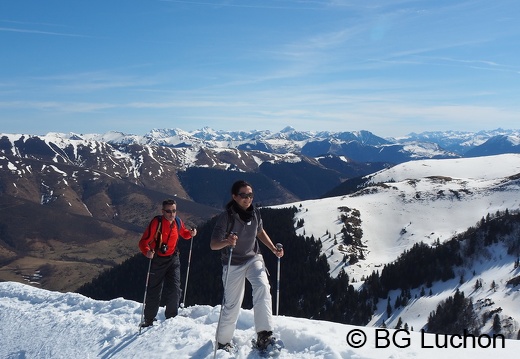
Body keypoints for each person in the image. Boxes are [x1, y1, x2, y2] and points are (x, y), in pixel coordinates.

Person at [210, 180, 284, 352]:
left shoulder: (255, 213)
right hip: (233, 263)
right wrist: (226, 242)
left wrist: (273, 248)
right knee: (232, 304)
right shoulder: (226, 217)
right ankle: (223, 341)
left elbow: (259, 231)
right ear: (234, 197)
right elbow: (213, 244)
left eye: (250, 195)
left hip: (253, 258)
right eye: (243, 195)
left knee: (263, 287)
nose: (247, 198)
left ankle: (264, 334)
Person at [138, 199, 197, 327]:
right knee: (155, 290)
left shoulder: (177, 221)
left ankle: (171, 317)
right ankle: (149, 320)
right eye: (169, 211)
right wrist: (147, 251)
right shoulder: (157, 222)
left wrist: (191, 233)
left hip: (173, 258)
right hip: (158, 259)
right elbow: (143, 242)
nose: (172, 214)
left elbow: (184, 233)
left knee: (175, 289)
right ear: (163, 211)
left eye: (174, 211)